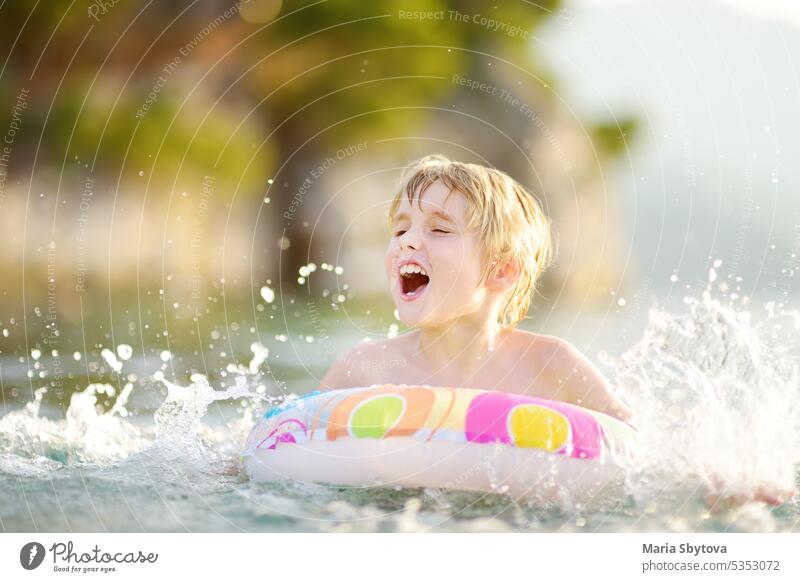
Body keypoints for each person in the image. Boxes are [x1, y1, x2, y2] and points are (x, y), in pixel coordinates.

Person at [319, 154, 794, 506]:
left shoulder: (550, 365)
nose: (409, 242)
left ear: (502, 270)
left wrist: (718, 485)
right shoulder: (361, 370)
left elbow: (643, 459)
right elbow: (270, 454)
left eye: (439, 230)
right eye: (400, 229)